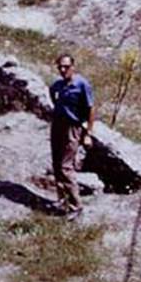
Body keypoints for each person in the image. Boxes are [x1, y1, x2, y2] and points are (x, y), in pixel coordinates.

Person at [49, 53, 95, 220]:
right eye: (60, 67)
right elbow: (51, 93)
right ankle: (62, 200)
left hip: (72, 128)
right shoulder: (58, 85)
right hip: (57, 126)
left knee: (65, 166)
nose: (62, 70)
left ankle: (76, 206)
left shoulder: (82, 84)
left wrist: (88, 133)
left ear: (73, 67)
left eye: (66, 67)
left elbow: (91, 109)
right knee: (56, 163)